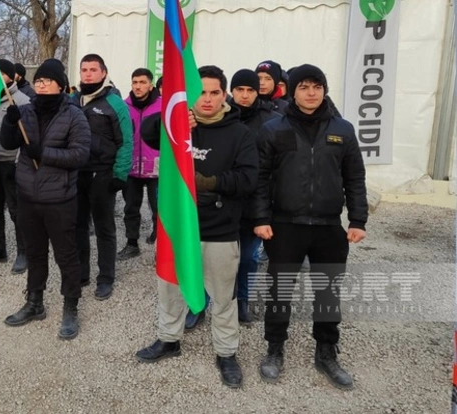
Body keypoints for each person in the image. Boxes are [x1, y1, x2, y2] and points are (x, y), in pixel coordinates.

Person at [135, 65, 258, 389]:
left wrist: (208, 183)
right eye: (200, 92)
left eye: (214, 92)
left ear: (224, 95)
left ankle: (226, 353)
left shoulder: (240, 133)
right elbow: (148, 135)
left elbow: (248, 179)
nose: (207, 99)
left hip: (219, 230)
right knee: (170, 290)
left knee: (222, 298)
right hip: (179, 229)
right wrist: (171, 121)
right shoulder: (180, 124)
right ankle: (169, 339)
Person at [253, 64, 367, 390]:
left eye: (317, 86)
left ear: (325, 89)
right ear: (292, 91)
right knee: (279, 290)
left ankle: (327, 351)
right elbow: (261, 179)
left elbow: (355, 178)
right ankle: (274, 348)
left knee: (328, 292)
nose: (311, 92)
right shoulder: (274, 130)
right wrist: (261, 219)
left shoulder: (342, 130)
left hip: (329, 227)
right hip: (285, 225)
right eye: (304, 86)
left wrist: (357, 219)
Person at [1, 58, 90, 339]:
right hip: (28, 196)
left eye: (46, 80)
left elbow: (80, 155)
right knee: (36, 253)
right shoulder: (25, 110)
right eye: (37, 80)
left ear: (61, 85)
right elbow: (8, 143)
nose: (40, 84)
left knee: (66, 255)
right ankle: (34, 302)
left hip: (60, 199)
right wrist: (8, 121)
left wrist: (45, 154)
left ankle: (70, 306)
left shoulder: (74, 115)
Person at [73, 54, 133, 300]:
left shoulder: (114, 103)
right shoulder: (73, 100)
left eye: (93, 70)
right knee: (77, 226)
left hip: (103, 174)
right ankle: (81, 272)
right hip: (77, 174)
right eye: (84, 69)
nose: (88, 74)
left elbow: (126, 141)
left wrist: (120, 173)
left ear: (104, 73)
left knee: (104, 228)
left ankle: (106, 277)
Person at [227, 69, 278, 323]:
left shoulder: (272, 120)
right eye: (240, 90)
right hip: (223, 198)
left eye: (250, 90)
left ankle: (242, 301)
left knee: (247, 257)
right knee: (215, 256)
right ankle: (204, 301)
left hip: (255, 200)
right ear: (232, 91)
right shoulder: (218, 114)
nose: (244, 95)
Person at [0, 59, 31, 272]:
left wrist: (20, 162)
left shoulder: (22, 101)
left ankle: (23, 252)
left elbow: (26, 136)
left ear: (11, 76)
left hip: (11, 163)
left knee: (16, 210)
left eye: (1, 74)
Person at [118, 68, 161, 260]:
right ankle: (132, 243)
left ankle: (159, 242)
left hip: (157, 168)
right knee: (130, 207)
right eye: (135, 82)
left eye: (142, 82)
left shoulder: (162, 106)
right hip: (132, 166)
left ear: (151, 85)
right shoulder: (124, 107)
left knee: (158, 208)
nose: (138, 86)